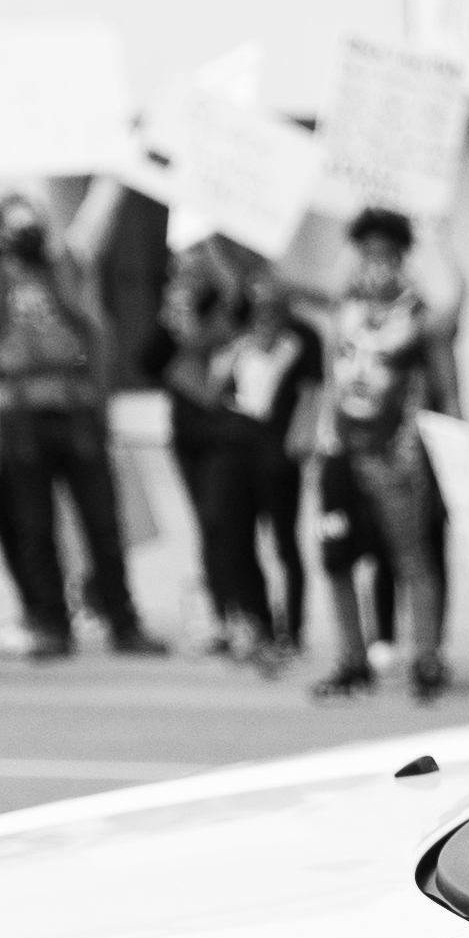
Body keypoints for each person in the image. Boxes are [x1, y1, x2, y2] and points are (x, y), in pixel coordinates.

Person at [0, 192, 157, 662]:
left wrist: (118, 171)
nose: (27, 232)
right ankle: (51, 624)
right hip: (21, 414)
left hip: (77, 409)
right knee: (34, 526)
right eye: (16, 226)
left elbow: (98, 215)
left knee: (103, 524)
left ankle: (124, 622)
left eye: (32, 222)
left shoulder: (67, 265)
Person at [305, 205, 459, 700]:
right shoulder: (342, 312)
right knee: (335, 557)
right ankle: (352, 658)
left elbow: (447, 374)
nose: (374, 265)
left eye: (385, 255)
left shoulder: (418, 318)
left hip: (394, 457)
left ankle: (427, 656)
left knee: (411, 557)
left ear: (400, 260)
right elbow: (329, 380)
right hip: (340, 453)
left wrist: (441, 243)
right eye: (366, 254)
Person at [162, 238, 311, 666]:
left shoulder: (303, 337)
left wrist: (298, 443)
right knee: (232, 535)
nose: (262, 299)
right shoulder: (234, 334)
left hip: (278, 454)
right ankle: (255, 622)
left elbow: (311, 394)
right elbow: (210, 388)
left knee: (284, 542)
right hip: (233, 448)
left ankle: (292, 629)